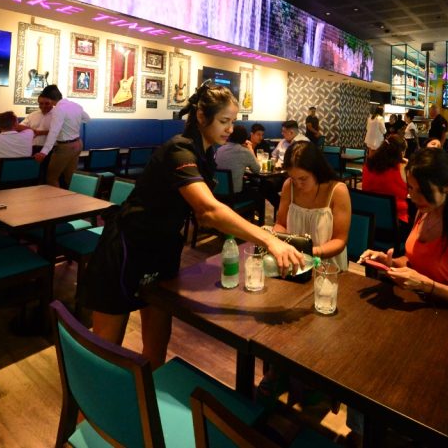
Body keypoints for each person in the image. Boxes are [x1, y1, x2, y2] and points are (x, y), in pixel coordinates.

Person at [82, 82, 305, 368]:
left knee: (157, 345)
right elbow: (208, 210)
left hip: (163, 248)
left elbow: (204, 214)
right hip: (127, 247)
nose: (230, 129)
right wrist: (269, 239)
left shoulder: (206, 153)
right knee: (105, 353)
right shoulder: (179, 149)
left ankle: (148, 394)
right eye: (224, 121)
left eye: (233, 122)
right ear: (201, 116)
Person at [358, 148, 448, 373]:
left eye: (422, 191)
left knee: (396, 370)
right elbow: (417, 262)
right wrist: (390, 263)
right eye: (410, 188)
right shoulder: (424, 212)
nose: (412, 197)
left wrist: (427, 285)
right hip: (426, 313)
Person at [273, 141, 351, 269]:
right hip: (295, 262)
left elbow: (340, 240)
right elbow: (281, 224)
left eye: (303, 179)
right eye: (293, 178)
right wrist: (278, 241)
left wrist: (311, 252)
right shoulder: (289, 186)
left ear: (317, 171)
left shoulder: (337, 191)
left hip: (327, 266)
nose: (298, 184)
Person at [34, 84, 90, 188]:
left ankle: (58, 199)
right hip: (78, 144)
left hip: (66, 147)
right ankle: (74, 198)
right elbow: (87, 119)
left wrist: (43, 152)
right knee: (70, 177)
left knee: (51, 178)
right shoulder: (76, 105)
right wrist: (72, 123)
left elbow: (53, 132)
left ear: (49, 98)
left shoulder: (58, 109)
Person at [361, 134, 409, 224]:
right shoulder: (403, 167)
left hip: (369, 220)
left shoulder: (368, 165)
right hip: (396, 221)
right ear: (401, 152)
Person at [214, 124, 259, 194]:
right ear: (244, 138)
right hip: (235, 194)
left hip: (216, 192)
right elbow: (257, 169)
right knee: (258, 193)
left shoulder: (219, 150)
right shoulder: (244, 152)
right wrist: (250, 149)